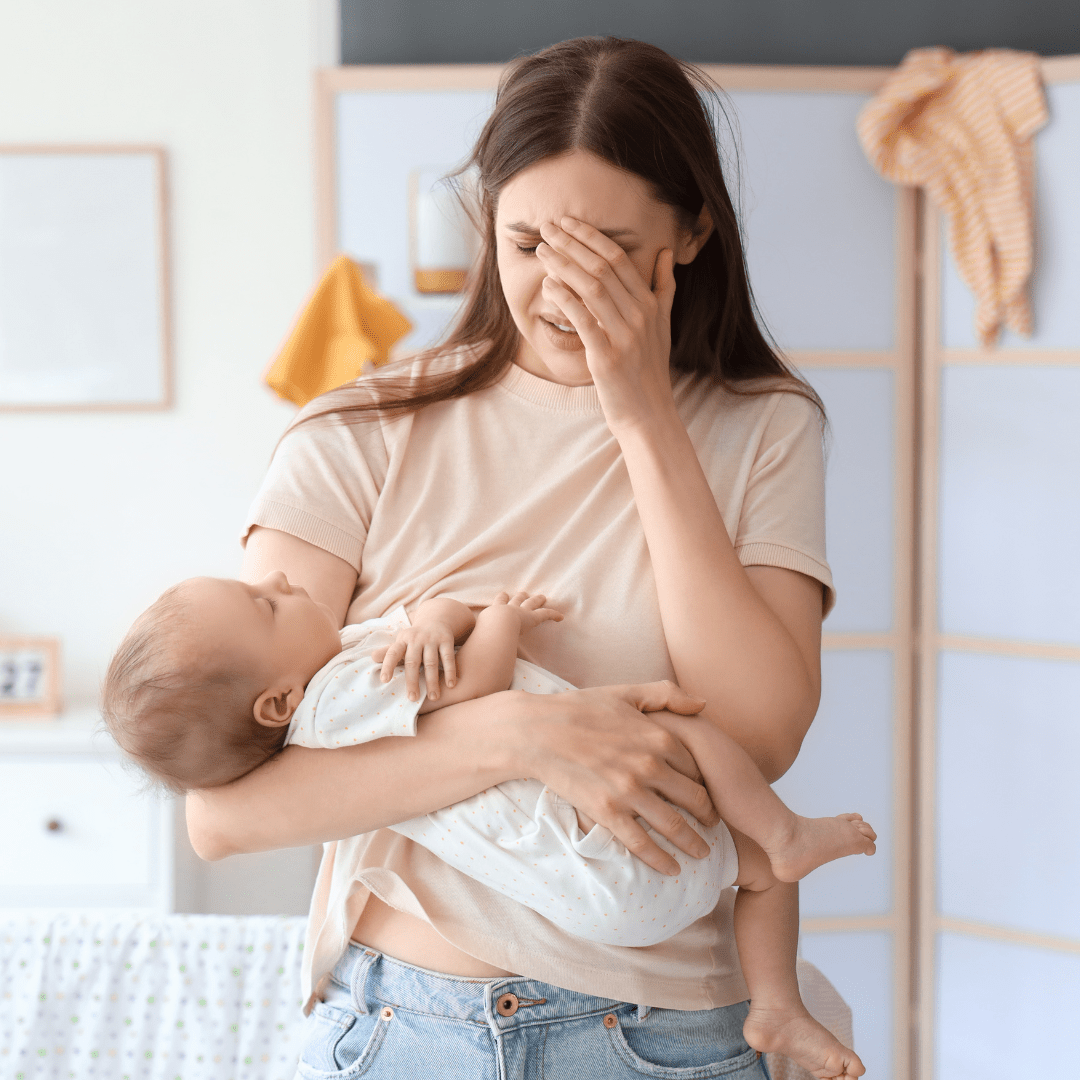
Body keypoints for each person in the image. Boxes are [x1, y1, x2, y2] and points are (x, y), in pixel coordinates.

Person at [185, 35, 862, 1080]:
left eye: (605, 248)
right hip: (401, 1027)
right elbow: (228, 809)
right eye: (529, 242)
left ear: (689, 237)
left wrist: (642, 418)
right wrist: (524, 738)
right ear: (485, 223)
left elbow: (761, 735)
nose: (558, 288)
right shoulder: (355, 433)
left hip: (665, 1038)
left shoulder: (760, 429)